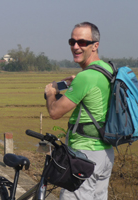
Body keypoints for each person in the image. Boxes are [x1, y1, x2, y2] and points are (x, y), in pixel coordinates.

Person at [45, 22, 115, 200]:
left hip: (83, 156)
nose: (76, 47)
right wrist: (72, 83)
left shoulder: (86, 77)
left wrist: (51, 93)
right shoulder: (107, 69)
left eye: (82, 42)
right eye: (72, 41)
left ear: (95, 45)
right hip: (105, 154)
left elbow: (55, 112)